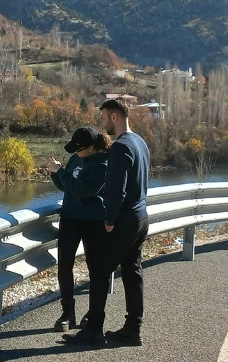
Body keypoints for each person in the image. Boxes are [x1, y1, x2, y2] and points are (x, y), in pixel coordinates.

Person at [64, 98, 151, 347]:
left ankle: (93, 330)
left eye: (104, 118)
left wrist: (110, 219)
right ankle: (133, 329)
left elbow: (116, 188)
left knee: (100, 271)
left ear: (114, 117)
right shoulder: (140, 142)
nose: (103, 124)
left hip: (123, 220)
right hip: (141, 217)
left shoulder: (121, 146)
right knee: (132, 271)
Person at [48, 126, 111, 331]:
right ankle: (68, 312)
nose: (76, 153)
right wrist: (55, 174)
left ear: (91, 147)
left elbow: (83, 190)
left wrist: (61, 172)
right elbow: (67, 186)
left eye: (79, 149)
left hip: (93, 222)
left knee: (94, 268)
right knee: (64, 265)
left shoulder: (102, 164)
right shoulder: (76, 158)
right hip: (70, 219)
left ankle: (93, 314)